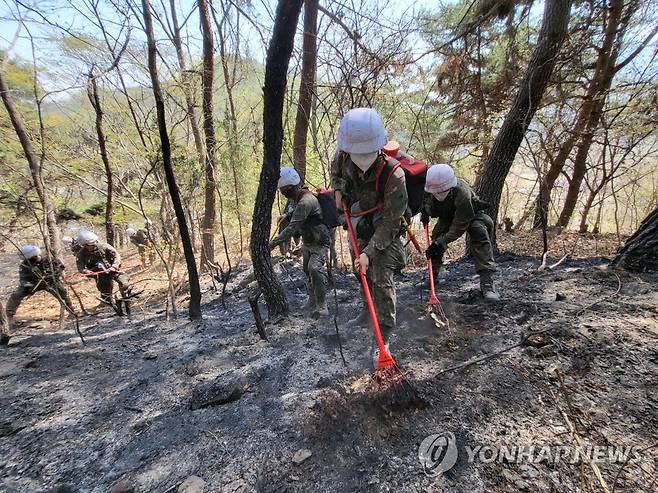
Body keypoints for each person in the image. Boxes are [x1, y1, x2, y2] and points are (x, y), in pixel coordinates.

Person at [331, 107, 408, 355]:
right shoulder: (342, 158)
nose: (361, 158)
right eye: (356, 153)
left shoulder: (394, 175)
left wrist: (370, 252)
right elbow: (336, 175)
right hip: (359, 219)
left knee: (380, 272)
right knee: (359, 268)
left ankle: (384, 334)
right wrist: (338, 191)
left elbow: (391, 223)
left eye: (366, 153)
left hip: (386, 227)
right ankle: (368, 309)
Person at [421, 163, 500, 301]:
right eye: (435, 192)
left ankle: (487, 283)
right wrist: (425, 210)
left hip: (470, 214)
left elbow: (459, 225)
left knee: (479, 233)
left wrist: (443, 241)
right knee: (437, 239)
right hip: (447, 216)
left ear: (450, 187)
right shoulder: (429, 187)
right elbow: (423, 202)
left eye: (441, 191)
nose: (438, 194)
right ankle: (432, 276)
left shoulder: (463, 194)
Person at [270, 167, 331, 317]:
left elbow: (291, 229)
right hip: (308, 241)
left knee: (314, 269)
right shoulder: (298, 199)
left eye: (285, 190)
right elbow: (295, 213)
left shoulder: (306, 201)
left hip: (319, 242)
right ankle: (312, 300)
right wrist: (287, 215)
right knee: (306, 270)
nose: (283, 193)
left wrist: (271, 245)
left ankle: (322, 306)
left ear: (291, 187)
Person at [3, 245, 76, 344]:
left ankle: (71, 311)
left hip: (50, 282)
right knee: (16, 295)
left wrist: (53, 275)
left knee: (62, 292)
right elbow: (23, 279)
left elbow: (61, 268)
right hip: (33, 284)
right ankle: (8, 317)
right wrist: (28, 286)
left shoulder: (49, 259)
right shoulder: (25, 265)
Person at [75, 230, 132, 305]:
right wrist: (86, 271)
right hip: (100, 275)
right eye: (90, 245)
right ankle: (109, 303)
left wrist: (114, 266)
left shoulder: (104, 246)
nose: (93, 245)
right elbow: (80, 267)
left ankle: (127, 299)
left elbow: (116, 256)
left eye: (94, 243)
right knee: (105, 293)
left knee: (124, 283)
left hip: (113, 270)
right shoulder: (81, 254)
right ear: (84, 245)